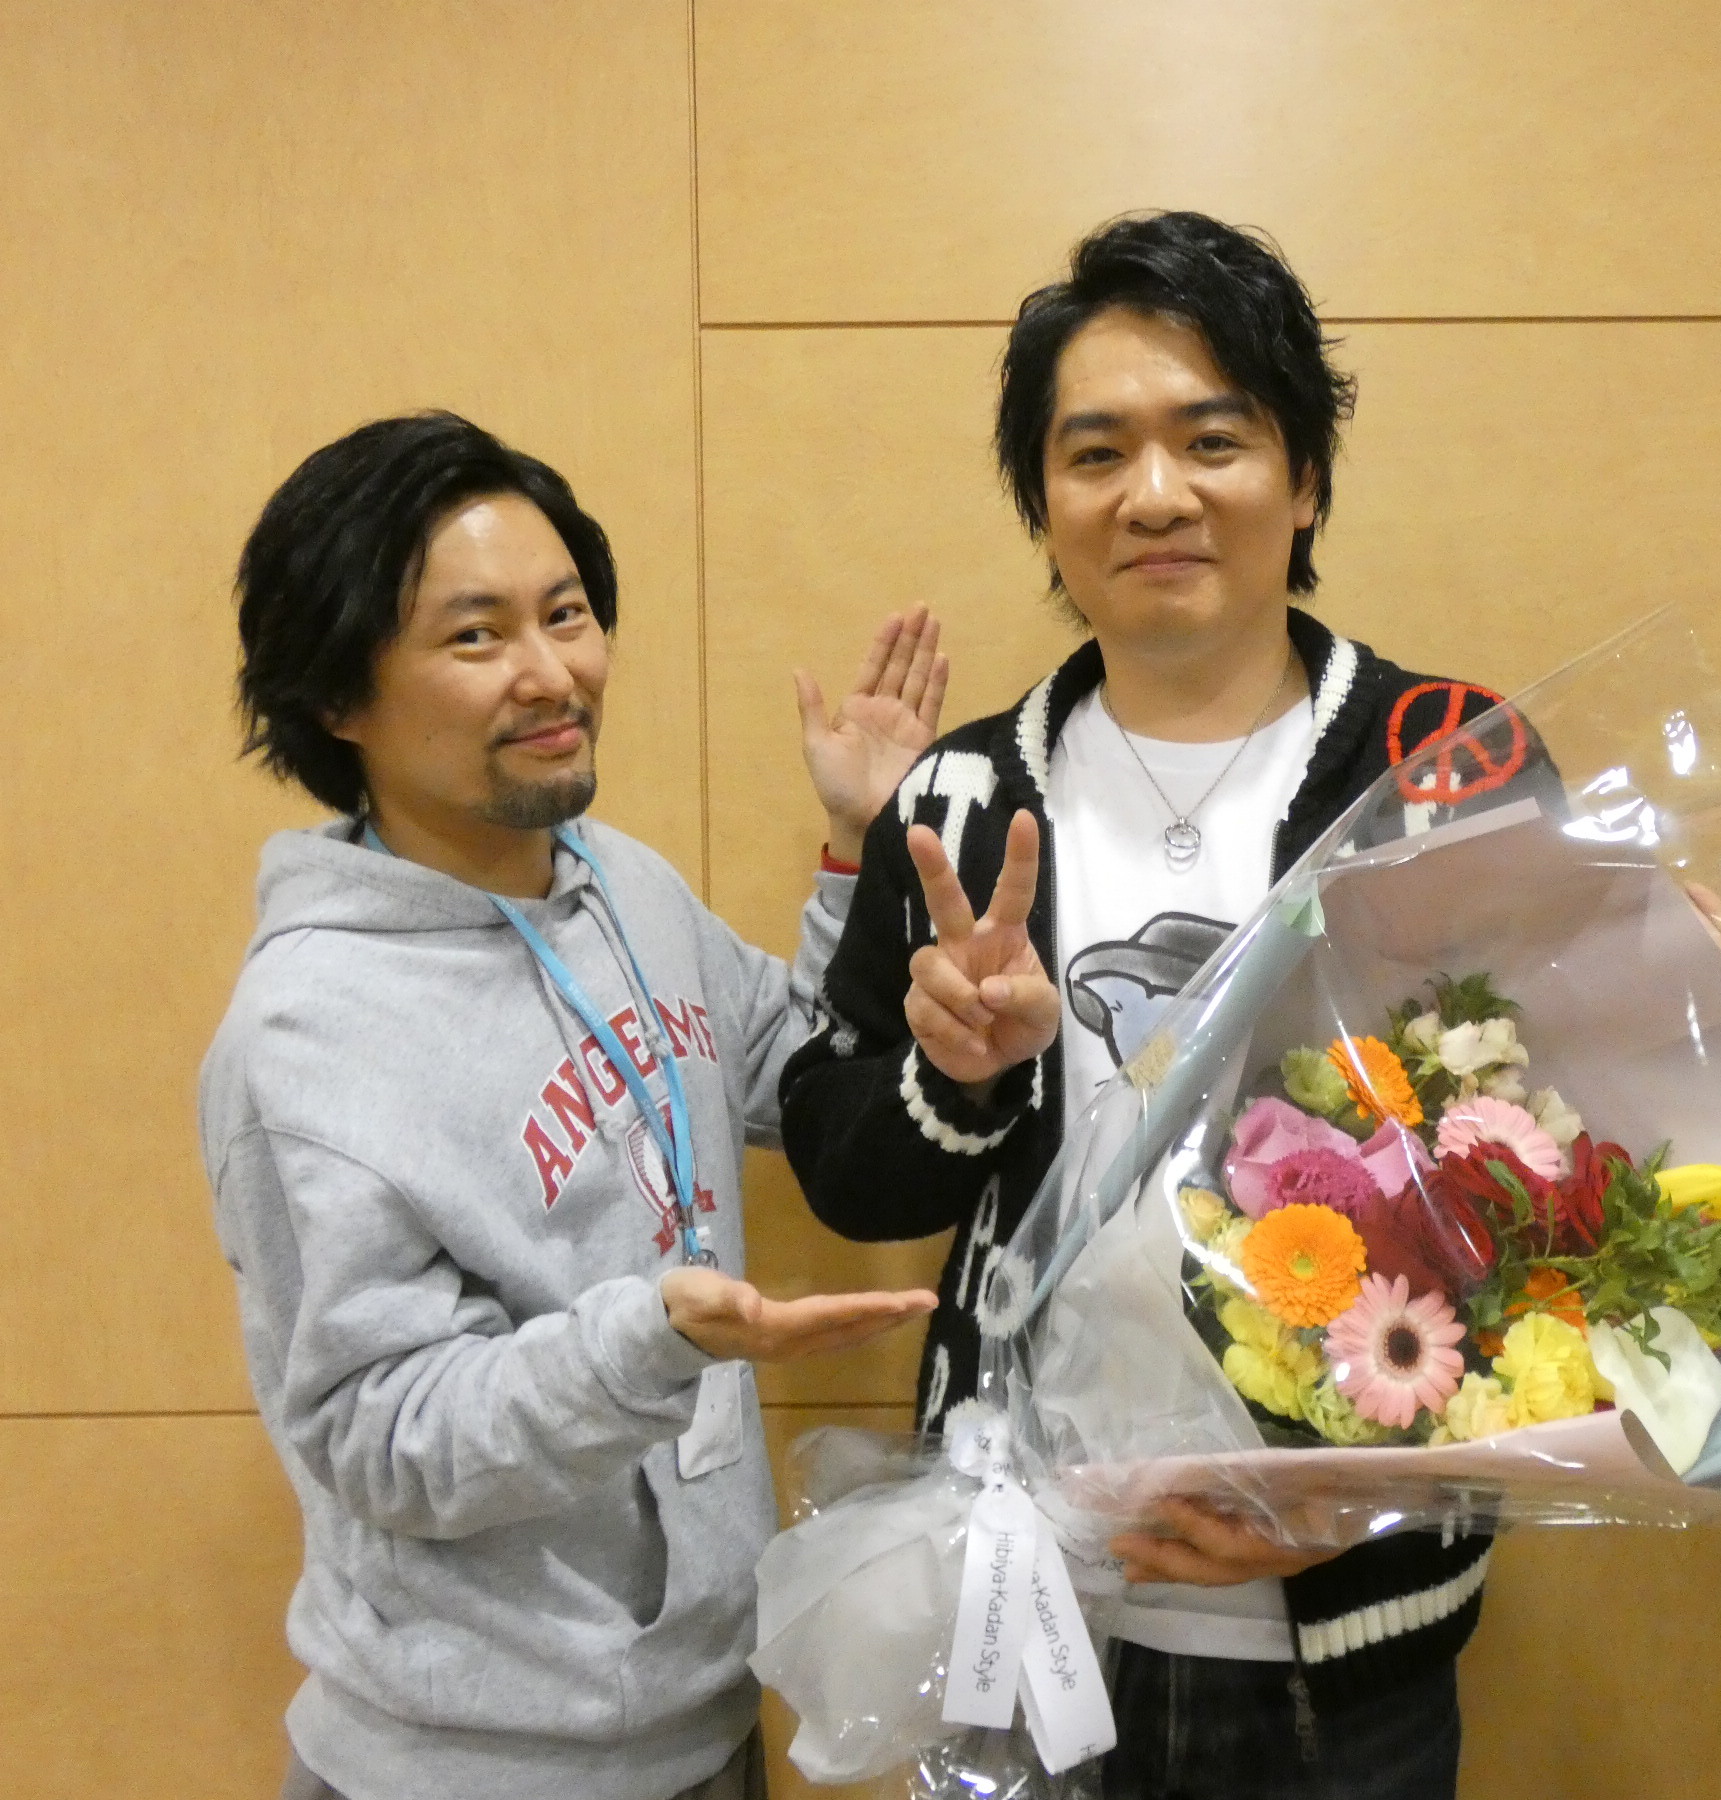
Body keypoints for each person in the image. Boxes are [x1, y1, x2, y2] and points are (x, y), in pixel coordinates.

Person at [778, 213, 1525, 1798]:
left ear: (1306, 480)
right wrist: (957, 1074)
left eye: (1214, 440)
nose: (1157, 494)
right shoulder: (959, 796)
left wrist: (1371, 1488)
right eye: (1097, 453)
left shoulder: (1448, 763)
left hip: (1350, 1622)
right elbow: (847, 1173)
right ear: (1044, 505)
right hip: (1031, 1597)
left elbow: (1557, 1184)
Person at [204, 411, 946, 1800]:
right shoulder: (306, 1036)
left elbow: (792, 1065)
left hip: (702, 1720)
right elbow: (381, 1439)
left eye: (566, 614)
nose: (553, 674)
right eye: (476, 635)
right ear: (338, 697)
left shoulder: (618, 884)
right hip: (468, 1770)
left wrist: (858, 851)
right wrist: (648, 1341)